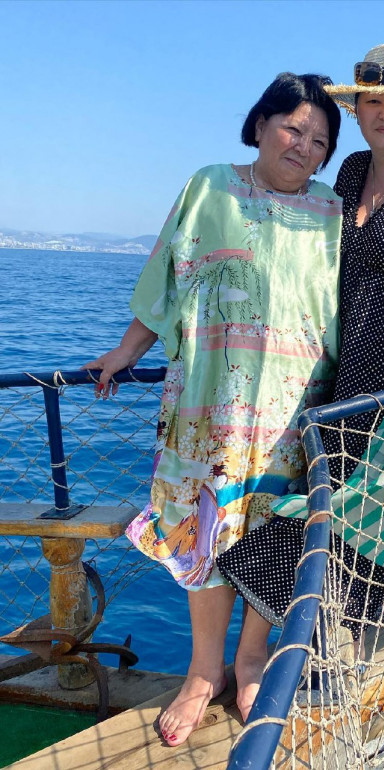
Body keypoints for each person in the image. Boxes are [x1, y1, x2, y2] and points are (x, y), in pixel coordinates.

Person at [83, 72, 343, 745]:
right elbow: (166, 275)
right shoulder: (210, 187)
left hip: (294, 409)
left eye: (320, 140)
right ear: (260, 126)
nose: (304, 146)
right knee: (205, 527)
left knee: (272, 532)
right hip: (211, 402)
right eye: (293, 129)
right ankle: (203, 672)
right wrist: (126, 350)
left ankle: (250, 660)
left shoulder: (333, 212)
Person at [216, 44, 384, 661]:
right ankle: (278, 650)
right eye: (374, 101)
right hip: (345, 365)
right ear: (356, 110)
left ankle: (304, 648)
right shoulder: (354, 171)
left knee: (354, 511)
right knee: (324, 504)